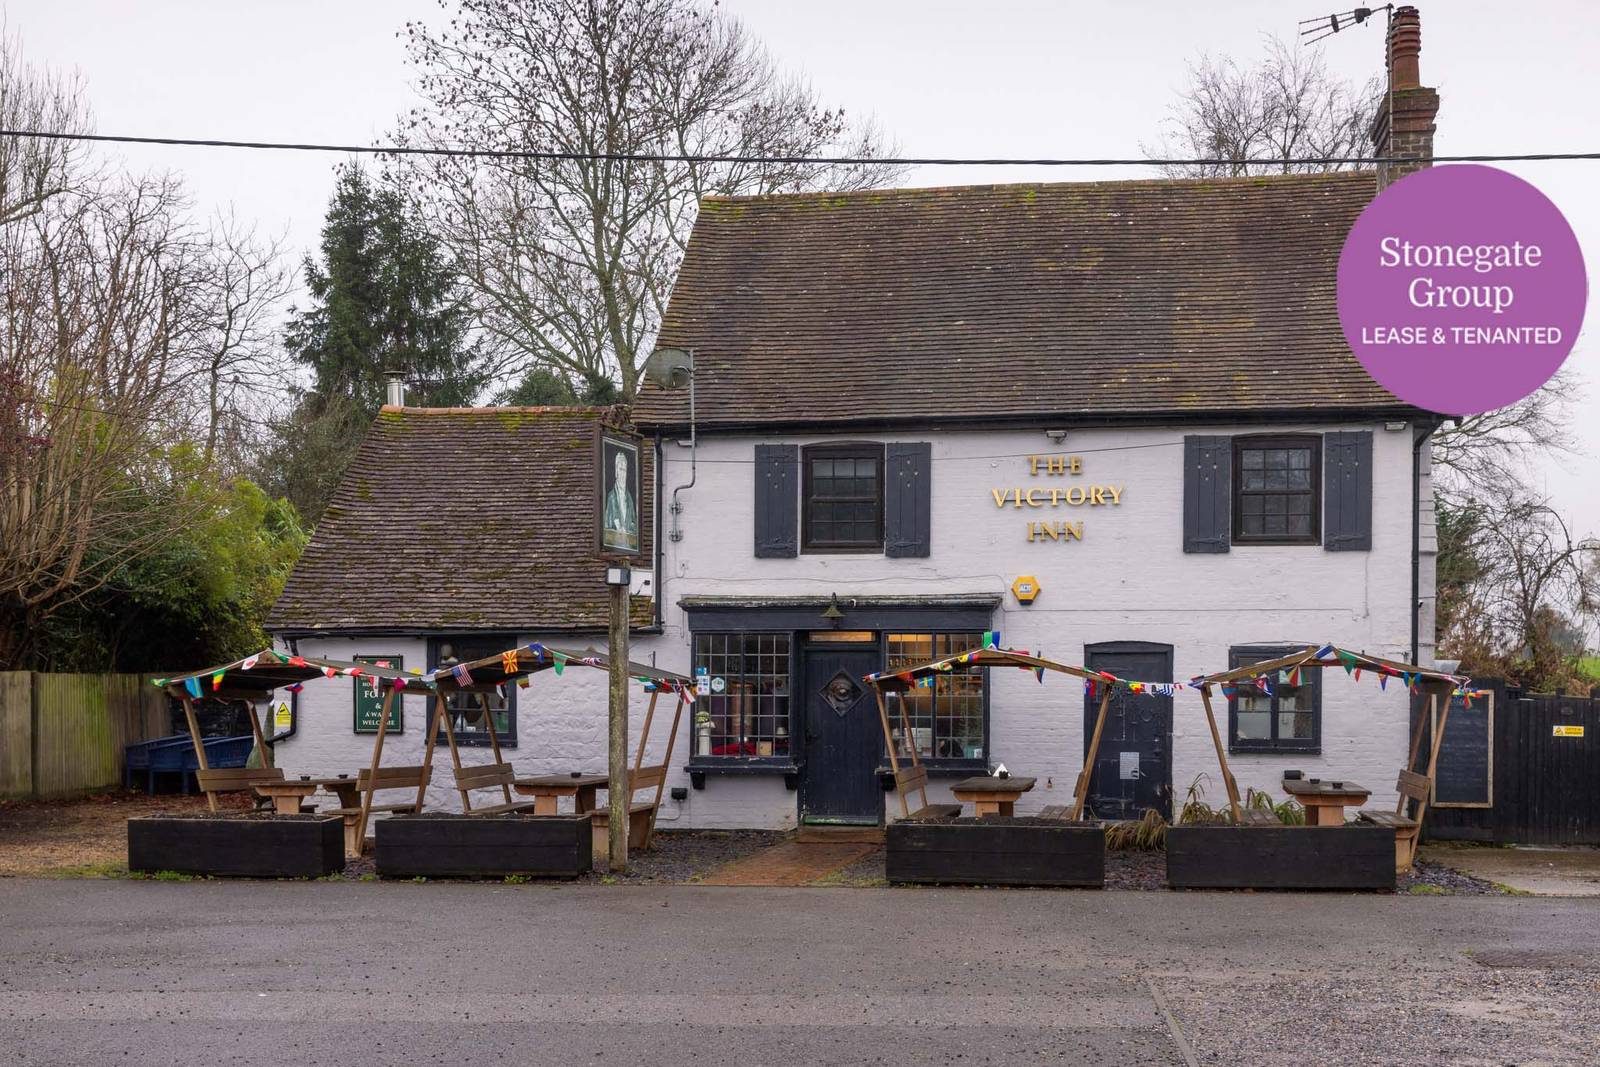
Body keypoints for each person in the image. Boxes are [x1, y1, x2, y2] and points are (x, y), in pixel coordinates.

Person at [603, 448, 637, 550]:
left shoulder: (629, 498)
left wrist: (629, 530)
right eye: (620, 469)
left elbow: (634, 524)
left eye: (624, 470)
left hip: (627, 544)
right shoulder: (611, 497)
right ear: (616, 472)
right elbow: (607, 525)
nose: (623, 474)